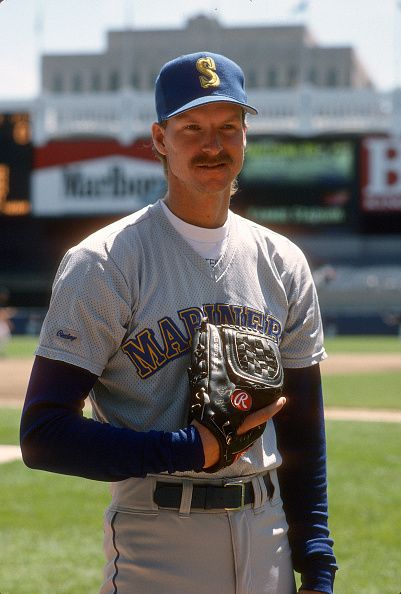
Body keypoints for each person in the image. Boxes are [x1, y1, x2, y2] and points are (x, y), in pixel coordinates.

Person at [20, 52, 337, 594]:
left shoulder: (281, 261)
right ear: (160, 138)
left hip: (270, 531)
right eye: (192, 127)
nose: (213, 145)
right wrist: (188, 448)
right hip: (159, 530)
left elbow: (304, 428)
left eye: (228, 127)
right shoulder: (106, 262)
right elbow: (43, 435)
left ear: (245, 136)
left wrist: (318, 560)